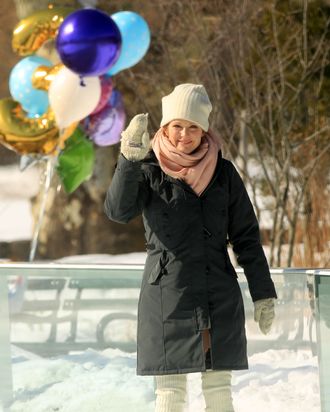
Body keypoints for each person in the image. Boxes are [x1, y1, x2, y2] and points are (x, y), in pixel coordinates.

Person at [104, 84, 277, 412]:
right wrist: (128, 159)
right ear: (165, 127)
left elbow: (247, 238)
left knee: (219, 392)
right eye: (177, 126)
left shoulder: (224, 173)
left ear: (204, 129)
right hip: (168, 296)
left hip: (218, 294)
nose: (185, 134)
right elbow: (118, 211)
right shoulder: (148, 168)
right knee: (169, 395)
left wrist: (263, 293)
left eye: (193, 126)